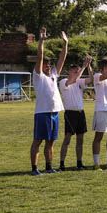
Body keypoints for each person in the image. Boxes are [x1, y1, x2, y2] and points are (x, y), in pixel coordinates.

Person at [30, 28, 68, 175]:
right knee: (38, 141)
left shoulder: (53, 75)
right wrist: (41, 41)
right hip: (42, 113)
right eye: (46, 64)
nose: (48, 65)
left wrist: (65, 44)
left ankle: (49, 167)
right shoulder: (39, 76)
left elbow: (62, 59)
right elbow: (39, 56)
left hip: (54, 113)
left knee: (51, 142)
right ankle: (34, 168)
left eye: (49, 64)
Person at [59, 53, 92, 171]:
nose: (76, 73)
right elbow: (72, 80)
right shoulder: (63, 82)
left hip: (80, 113)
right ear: (69, 72)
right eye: (74, 71)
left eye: (77, 71)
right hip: (70, 113)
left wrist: (88, 66)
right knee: (67, 138)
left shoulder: (79, 82)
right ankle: (62, 163)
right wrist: (83, 67)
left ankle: (79, 162)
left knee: (80, 139)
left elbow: (91, 79)